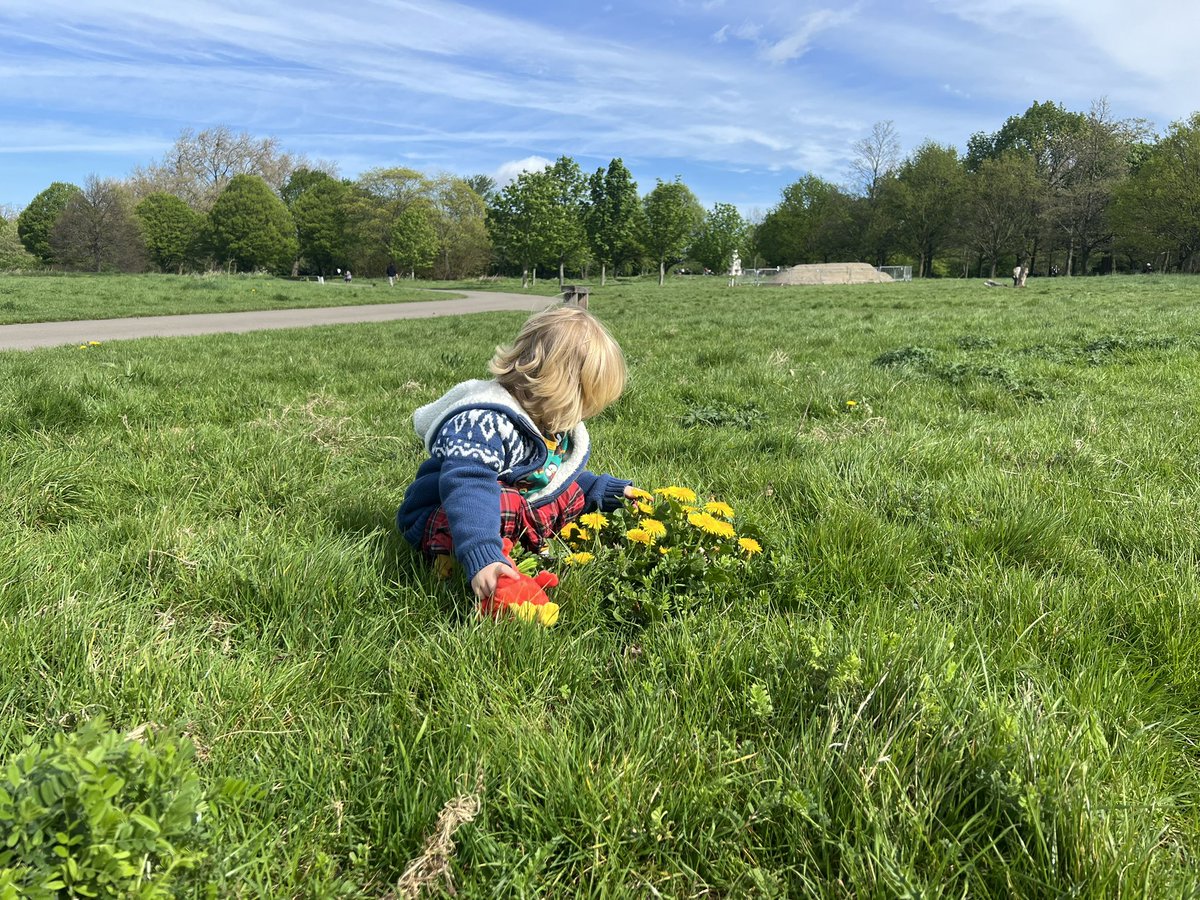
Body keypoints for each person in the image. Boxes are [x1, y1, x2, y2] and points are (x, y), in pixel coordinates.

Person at [396, 306, 635, 604]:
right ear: (560, 386)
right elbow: (467, 487)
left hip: (495, 508)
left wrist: (608, 490)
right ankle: (456, 560)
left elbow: (552, 476)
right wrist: (482, 552)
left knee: (565, 494)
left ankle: (516, 542)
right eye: (584, 402)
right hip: (448, 516)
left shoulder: (545, 418)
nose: (585, 413)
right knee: (504, 501)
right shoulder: (483, 420)